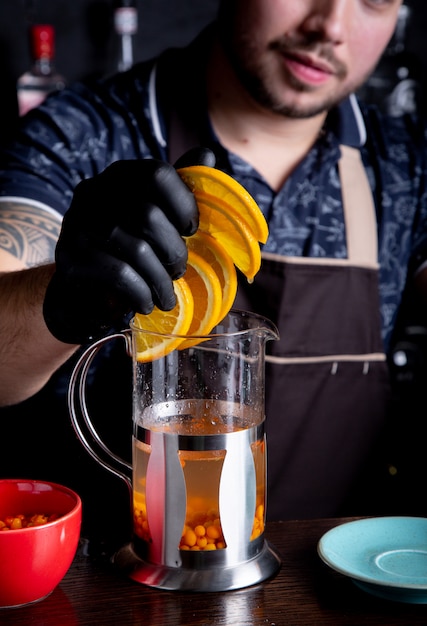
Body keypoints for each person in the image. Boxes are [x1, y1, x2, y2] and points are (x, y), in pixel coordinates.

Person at [0, 0, 426, 549]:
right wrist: (59, 294)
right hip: (128, 588)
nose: (330, 26)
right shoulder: (79, 134)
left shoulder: (404, 166)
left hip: (343, 587)